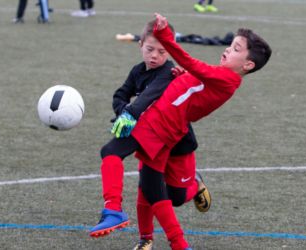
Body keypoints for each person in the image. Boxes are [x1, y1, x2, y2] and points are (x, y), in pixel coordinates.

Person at [93, 12, 272, 250]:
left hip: (159, 122)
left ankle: (113, 209)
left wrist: (166, 36)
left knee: (111, 151)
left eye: (236, 48)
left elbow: (190, 63)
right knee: (151, 187)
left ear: (248, 65)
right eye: (230, 45)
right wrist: (183, 76)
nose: (228, 49)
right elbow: (195, 88)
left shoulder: (227, 79)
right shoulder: (222, 76)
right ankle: (177, 244)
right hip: (165, 125)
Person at [89, 19, 212, 242]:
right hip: (149, 135)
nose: (155, 55)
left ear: (170, 49)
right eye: (149, 49)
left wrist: (130, 113)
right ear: (140, 45)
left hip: (177, 142)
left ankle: (195, 184)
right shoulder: (137, 71)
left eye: (162, 51)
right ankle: (122, 217)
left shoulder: (169, 71)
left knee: (175, 197)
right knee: (134, 174)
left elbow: (150, 95)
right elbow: (120, 95)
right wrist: (122, 111)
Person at [116, 31, 234, 46]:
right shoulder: (216, 41)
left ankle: (130, 37)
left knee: (153, 38)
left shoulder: (214, 41)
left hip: (177, 38)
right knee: (153, 38)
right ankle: (131, 37)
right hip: (180, 37)